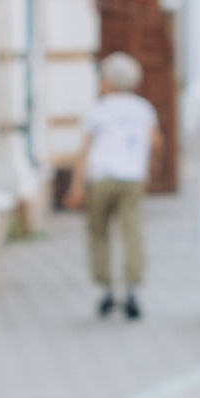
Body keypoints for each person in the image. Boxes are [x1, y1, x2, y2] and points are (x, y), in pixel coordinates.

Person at [67, 49, 158, 318]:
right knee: (132, 232)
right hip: (131, 177)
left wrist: (76, 186)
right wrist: (149, 165)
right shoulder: (143, 109)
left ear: (108, 81)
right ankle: (132, 287)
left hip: (102, 177)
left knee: (98, 232)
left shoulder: (98, 110)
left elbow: (84, 151)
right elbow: (155, 142)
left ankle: (105, 287)